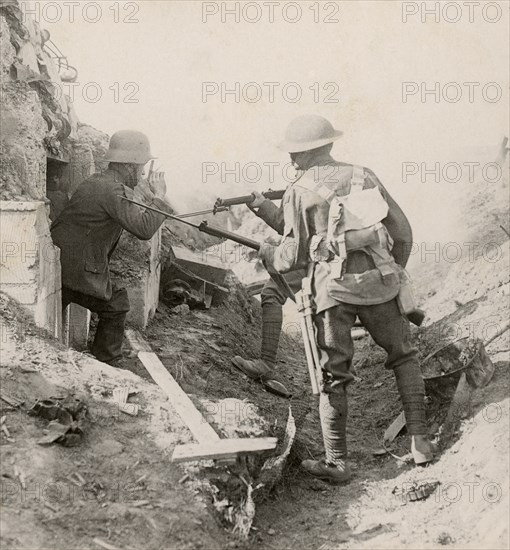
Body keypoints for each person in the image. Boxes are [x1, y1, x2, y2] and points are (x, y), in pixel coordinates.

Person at [258, 114, 435, 483]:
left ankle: (337, 462)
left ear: (307, 153)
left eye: (296, 154)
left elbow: (294, 256)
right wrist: (393, 272)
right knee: (404, 355)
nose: (292, 161)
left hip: (333, 294)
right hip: (379, 283)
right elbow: (401, 231)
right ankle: (420, 441)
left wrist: (268, 255)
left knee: (332, 375)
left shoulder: (299, 191)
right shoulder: (364, 176)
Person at [51, 130, 172, 364]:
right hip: (74, 268)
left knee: (109, 297)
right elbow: (144, 229)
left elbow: (133, 215)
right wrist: (160, 197)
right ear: (128, 166)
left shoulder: (101, 182)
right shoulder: (112, 190)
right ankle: (107, 362)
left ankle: (100, 358)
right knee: (117, 302)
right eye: (140, 168)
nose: (142, 173)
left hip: (66, 263)